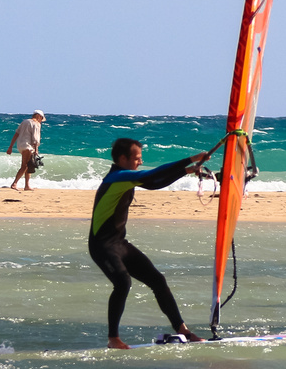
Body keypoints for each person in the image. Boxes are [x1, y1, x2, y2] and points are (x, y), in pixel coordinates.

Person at [90, 137, 210, 348]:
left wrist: (188, 171)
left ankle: (183, 330)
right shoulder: (117, 177)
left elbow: (155, 183)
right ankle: (113, 339)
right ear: (122, 158)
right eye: (137, 158)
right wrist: (190, 159)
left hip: (119, 243)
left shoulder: (126, 177)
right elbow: (153, 175)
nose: (140, 162)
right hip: (102, 245)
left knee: (157, 280)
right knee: (122, 283)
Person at [7, 111, 45, 190]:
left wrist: (10, 146)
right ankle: (14, 183)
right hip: (28, 146)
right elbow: (35, 138)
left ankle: (27, 185)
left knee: (29, 165)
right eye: (41, 118)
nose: (41, 120)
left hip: (20, 146)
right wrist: (36, 149)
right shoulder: (36, 124)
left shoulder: (24, 122)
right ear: (38, 116)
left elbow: (16, 134)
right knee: (24, 166)